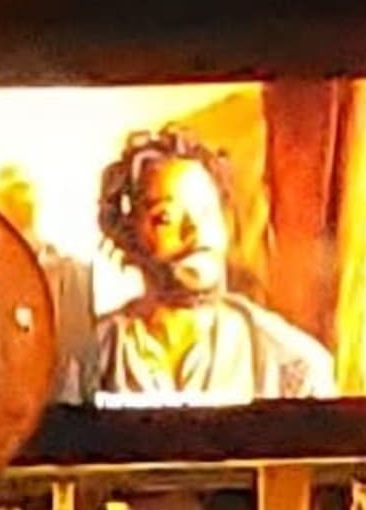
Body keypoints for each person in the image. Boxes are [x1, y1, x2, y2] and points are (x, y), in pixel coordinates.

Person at [83, 124, 335, 407]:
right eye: (166, 217)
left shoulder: (291, 364)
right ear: (127, 232)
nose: (196, 230)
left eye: (207, 211)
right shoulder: (90, 360)